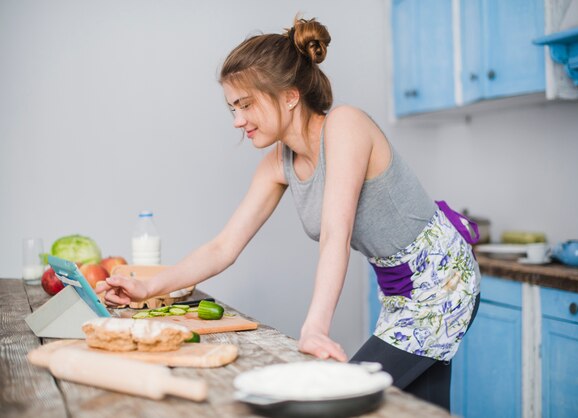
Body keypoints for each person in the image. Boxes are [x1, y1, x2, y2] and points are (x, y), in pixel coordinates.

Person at [96, 16, 481, 410]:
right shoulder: (277, 163)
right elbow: (223, 247)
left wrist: (315, 327)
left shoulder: (345, 126)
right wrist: (148, 287)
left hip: (443, 279)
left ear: (291, 96)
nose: (238, 120)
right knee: (418, 409)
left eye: (246, 105)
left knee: (346, 396)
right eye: (232, 108)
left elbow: (336, 233)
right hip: (399, 291)